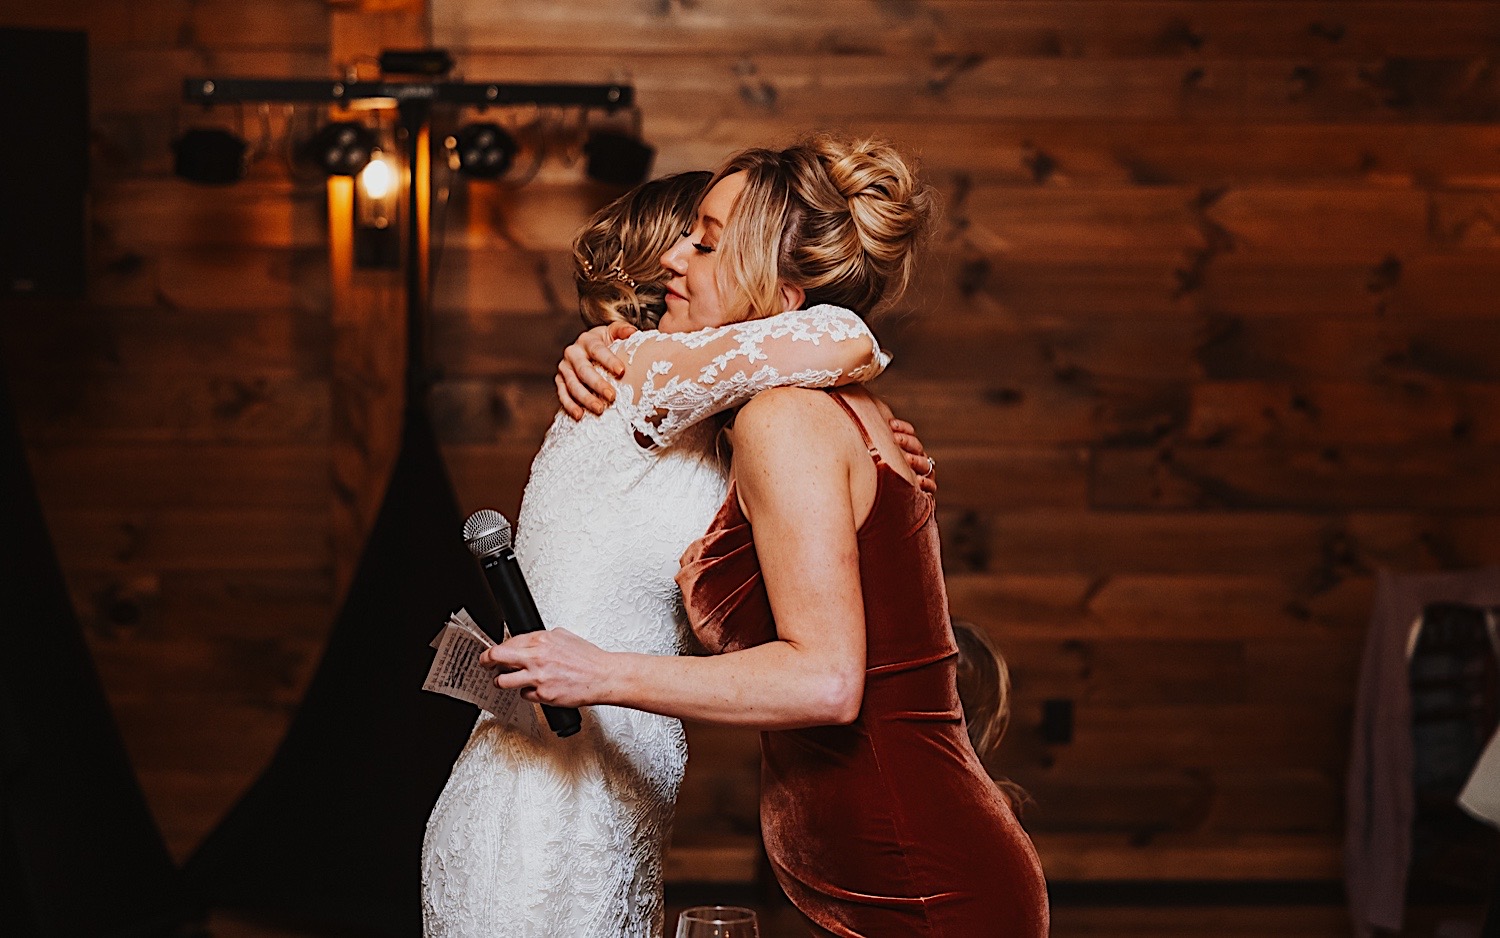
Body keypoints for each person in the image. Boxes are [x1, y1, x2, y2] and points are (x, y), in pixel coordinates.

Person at [487, 136, 1049, 937]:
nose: (675, 257)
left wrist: (598, 671)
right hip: (889, 870)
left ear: (786, 297)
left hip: (916, 882)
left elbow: (825, 683)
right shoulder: (811, 412)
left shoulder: (782, 418)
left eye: (708, 243)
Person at [420, 166, 935, 938]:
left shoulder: (722, 425)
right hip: (535, 812)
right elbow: (844, 334)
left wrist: (864, 451)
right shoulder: (635, 376)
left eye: (706, 245)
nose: (676, 267)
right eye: (682, 241)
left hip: (619, 808)